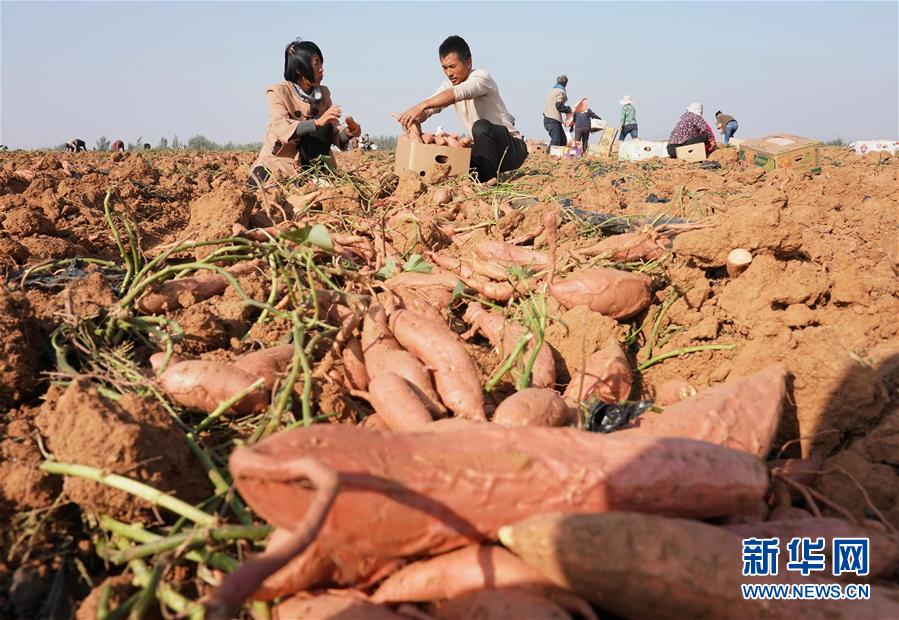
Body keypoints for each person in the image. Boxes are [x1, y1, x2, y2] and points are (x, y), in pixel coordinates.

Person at [397, 35, 527, 182]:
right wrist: (413, 121)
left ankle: (489, 181)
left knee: (481, 127)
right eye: (444, 68)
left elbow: (459, 92)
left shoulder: (481, 77)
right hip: (486, 151)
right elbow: (428, 110)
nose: (448, 73)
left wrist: (421, 105)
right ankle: (479, 176)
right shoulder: (449, 85)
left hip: (510, 149)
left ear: (469, 62)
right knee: (453, 155)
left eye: (452, 66)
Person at [249, 38, 361, 188]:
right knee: (255, 186)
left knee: (324, 126)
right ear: (299, 69)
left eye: (321, 64)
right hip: (281, 160)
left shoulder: (324, 94)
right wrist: (316, 122)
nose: (321, 69)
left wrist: (349, 133)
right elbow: (280, 126)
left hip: (314, 165)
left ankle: (314, 177)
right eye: (316, 64)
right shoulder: (278, 91)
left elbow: (333, 133)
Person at [542, 75, 570, 152]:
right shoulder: (561, 92)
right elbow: (559, 106)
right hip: (552, 119)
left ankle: (559, 157)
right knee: (556, 141)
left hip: (548, 118)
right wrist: (570, 109)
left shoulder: (552, 90)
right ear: (566, 83)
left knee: (562, 140)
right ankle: (548, 156)